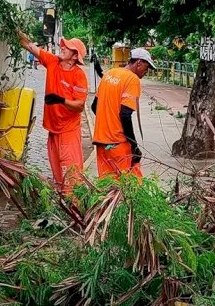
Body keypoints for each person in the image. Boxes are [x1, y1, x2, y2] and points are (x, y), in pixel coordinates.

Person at [18, 31, 88, 191]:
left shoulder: (79, 76)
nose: (62, 47)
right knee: (58, 177)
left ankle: (76, 208)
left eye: (67, 47)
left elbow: (79, 105)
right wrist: (15, 28)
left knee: (72, 176)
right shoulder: (52, 62)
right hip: (53, 130)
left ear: (75, 56)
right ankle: (65, 205)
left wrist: (60, 100)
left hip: (69, 131)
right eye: (63, 44)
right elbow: (29, 45)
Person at [91, 47, 157, 179]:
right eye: (146, 66)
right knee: (128, 188)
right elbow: (125, 115)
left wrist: (108, 124)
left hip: (101, 143)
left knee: (107, 188)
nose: (146, 71)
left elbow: (94, 107)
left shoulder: (109, 74)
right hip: (118, 144)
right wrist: (134, 146)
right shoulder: (132, 79)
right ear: (138, 62)